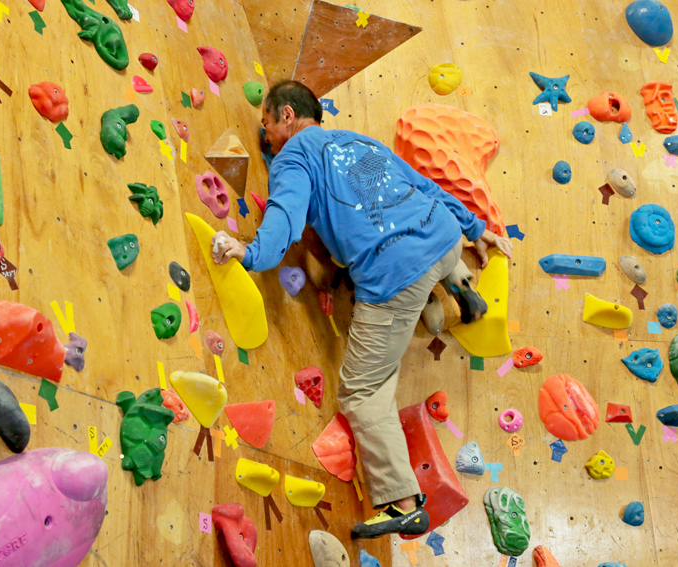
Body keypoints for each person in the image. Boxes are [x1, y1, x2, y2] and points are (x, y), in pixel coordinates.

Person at [211, 80, 513, 539]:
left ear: (288, 116)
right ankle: (458, 281)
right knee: (404, 231)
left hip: (398, 275)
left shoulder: (295, 156)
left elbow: (285, 216)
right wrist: (474, 227)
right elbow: (420, 185)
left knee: (361, 390)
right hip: (445, 236)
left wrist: (250, 253)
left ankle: (402, 502)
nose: (266, 135)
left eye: (267, 123)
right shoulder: (355, 141)